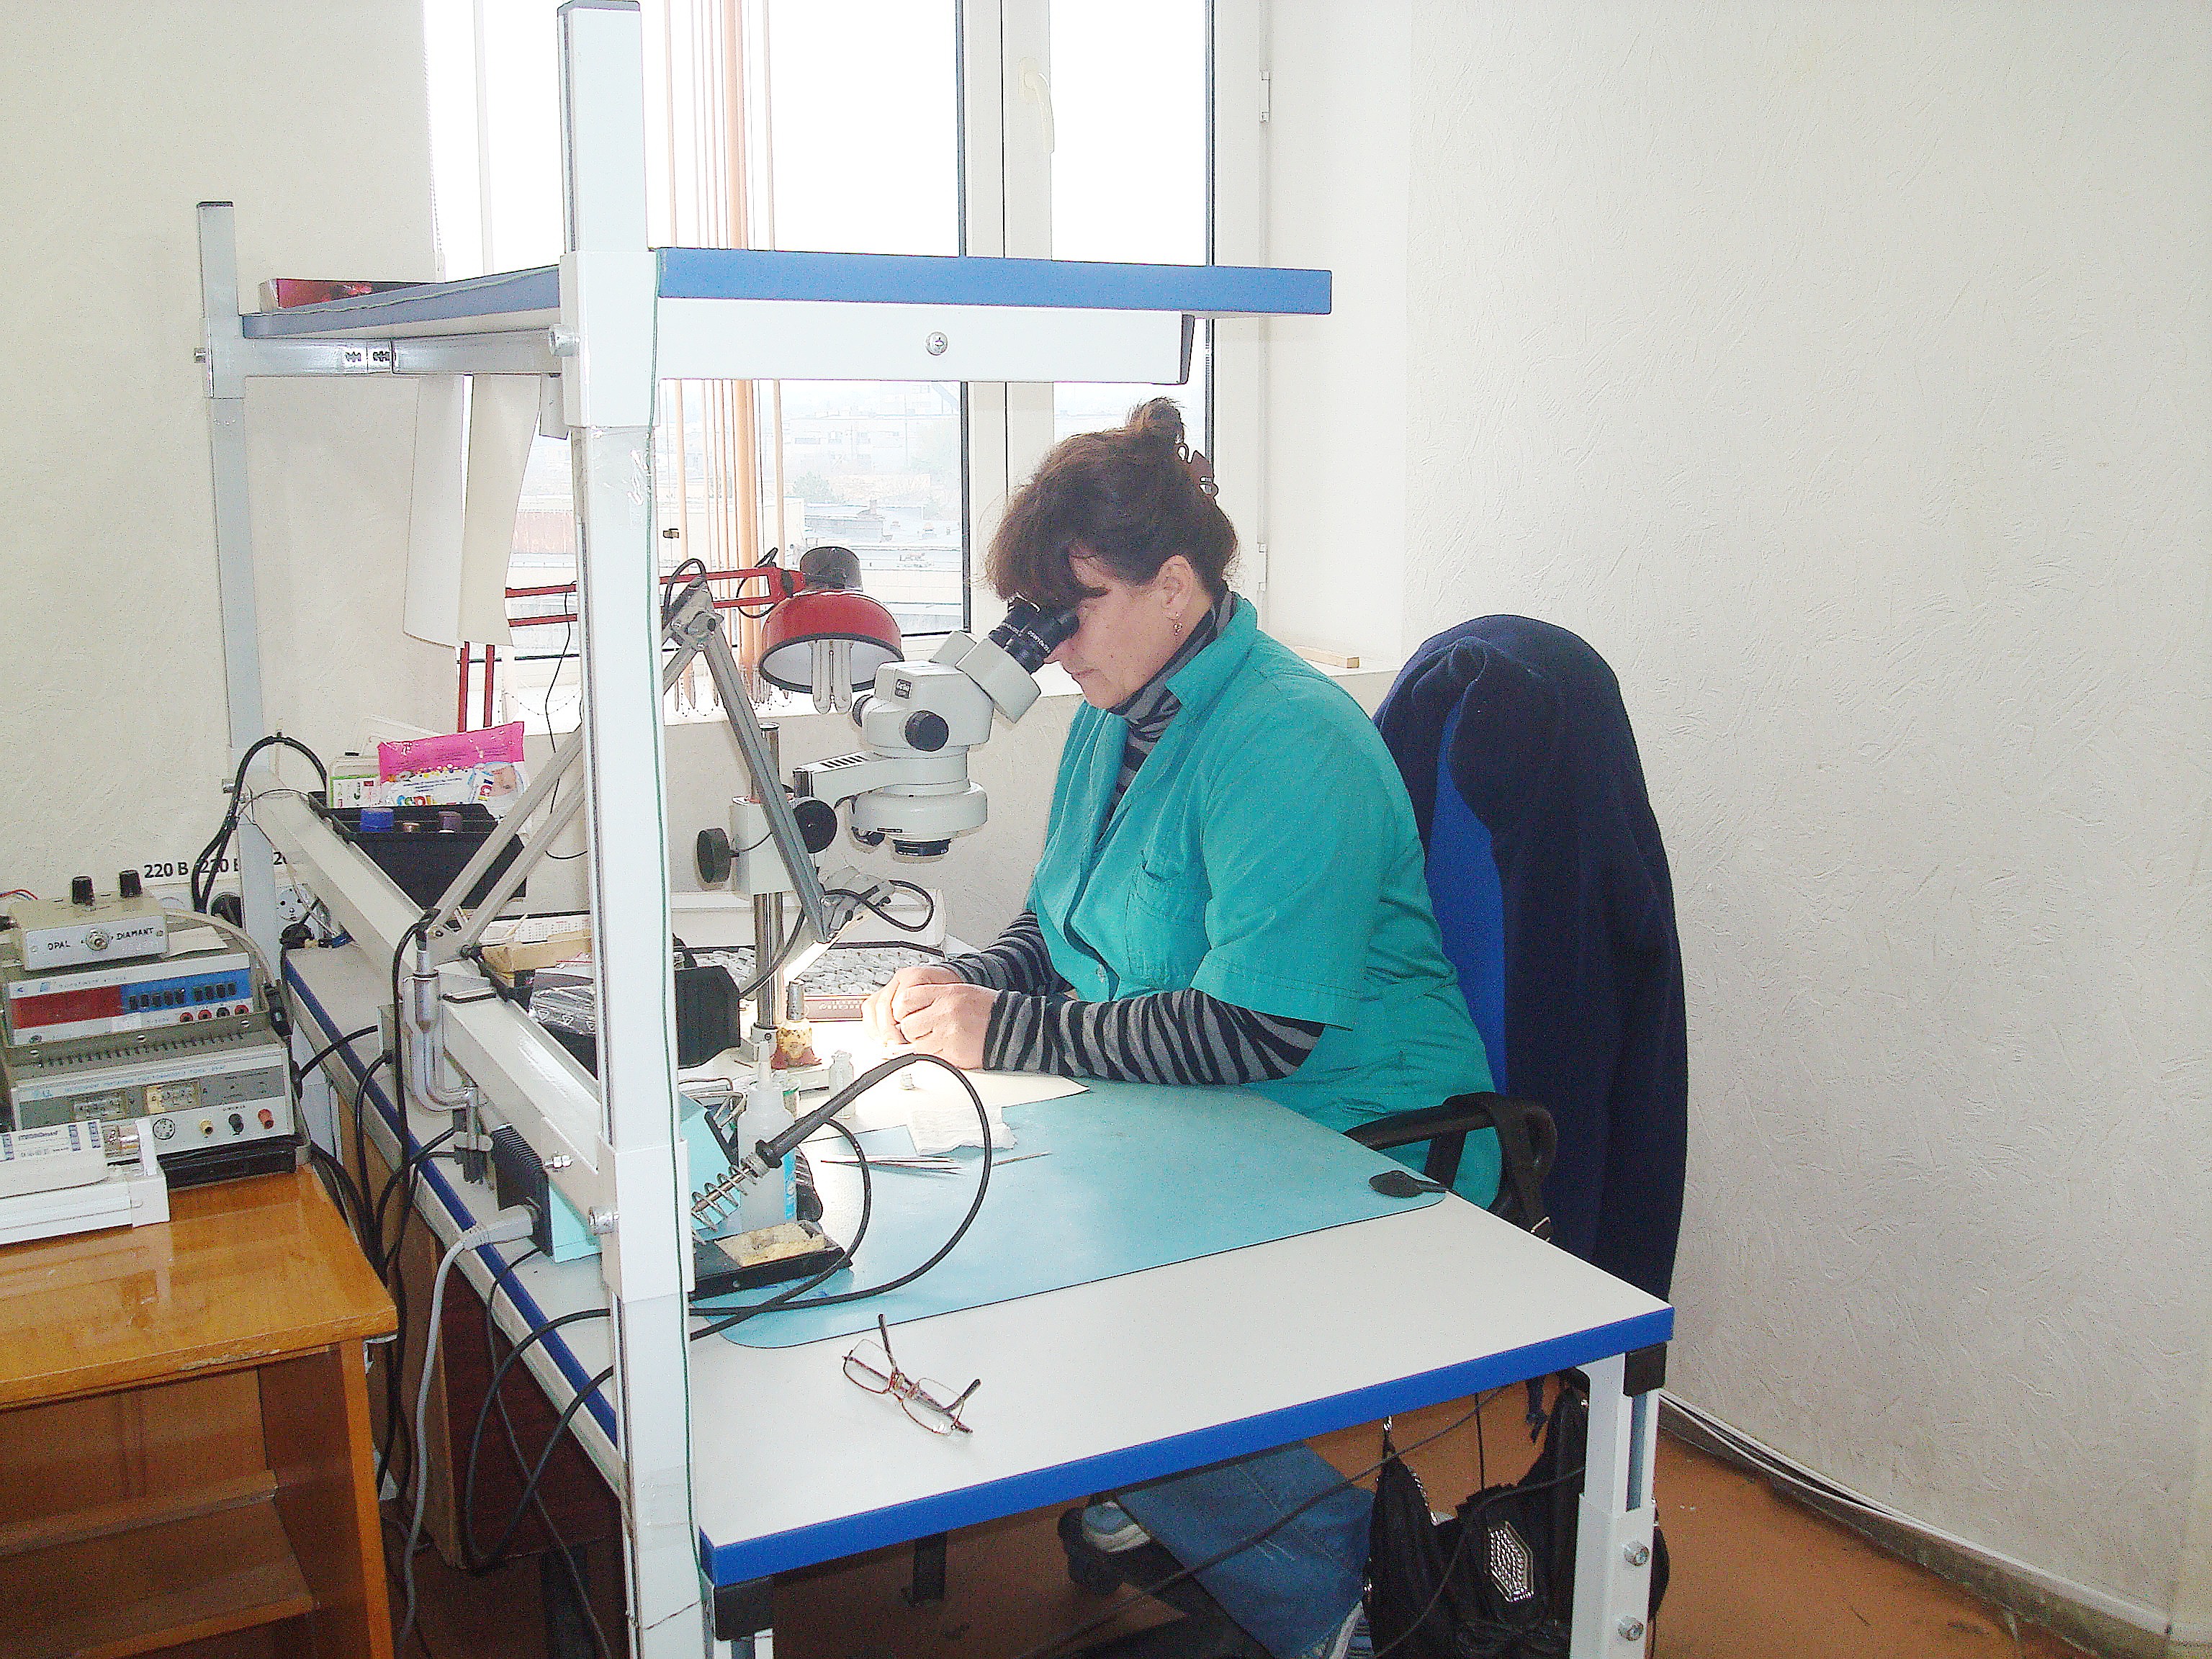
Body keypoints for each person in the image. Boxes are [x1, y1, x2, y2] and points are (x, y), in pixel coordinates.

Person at [862, 399, 1497, 1659]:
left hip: (1361, 1137)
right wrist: (963, 986)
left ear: (1174, 585)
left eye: (1075, 608)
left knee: (1078, 1317)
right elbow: (1061, 925)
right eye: (1036, 617)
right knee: (982, 1237)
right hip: (1203, 1124)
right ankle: (1151, 1493)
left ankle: (1352, 1606)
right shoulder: (1115, 719)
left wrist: (1006, 1032)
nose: (1051, 648)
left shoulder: (1288, 738)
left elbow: (1258, 1029)